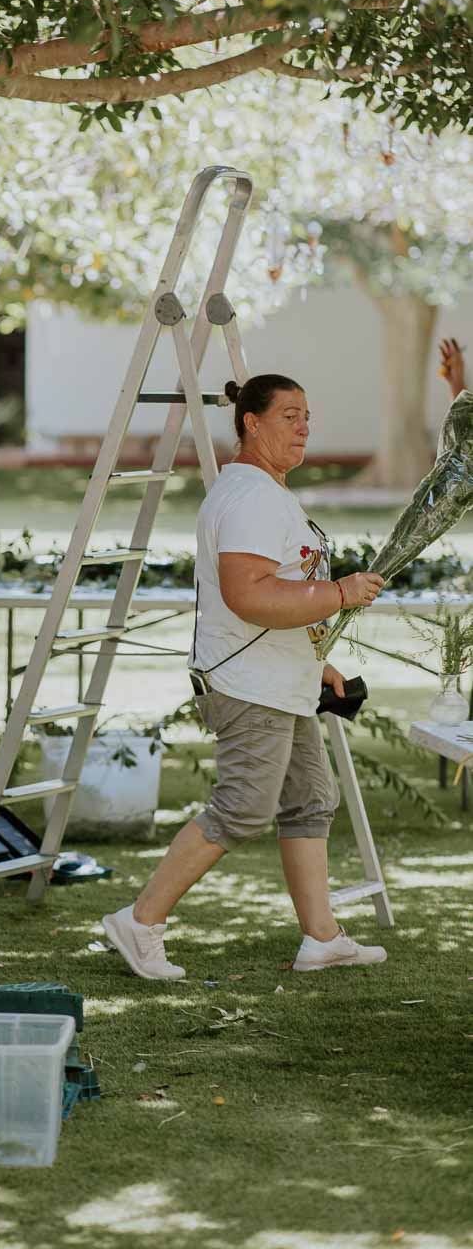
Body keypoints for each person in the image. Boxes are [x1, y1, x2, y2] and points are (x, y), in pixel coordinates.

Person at [103, 373, 388, 980]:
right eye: (289, 414)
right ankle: (141, 920)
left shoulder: (268, 492)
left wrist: (317, 660)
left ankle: (322, 938)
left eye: (307, 414)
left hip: (281, 678)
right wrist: (339, 592)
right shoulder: (252, 496)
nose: (304, 425)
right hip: (250, 686)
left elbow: (280, 593)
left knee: (310, 799)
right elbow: (248, 595)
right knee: (242, 808)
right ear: (249, 423)